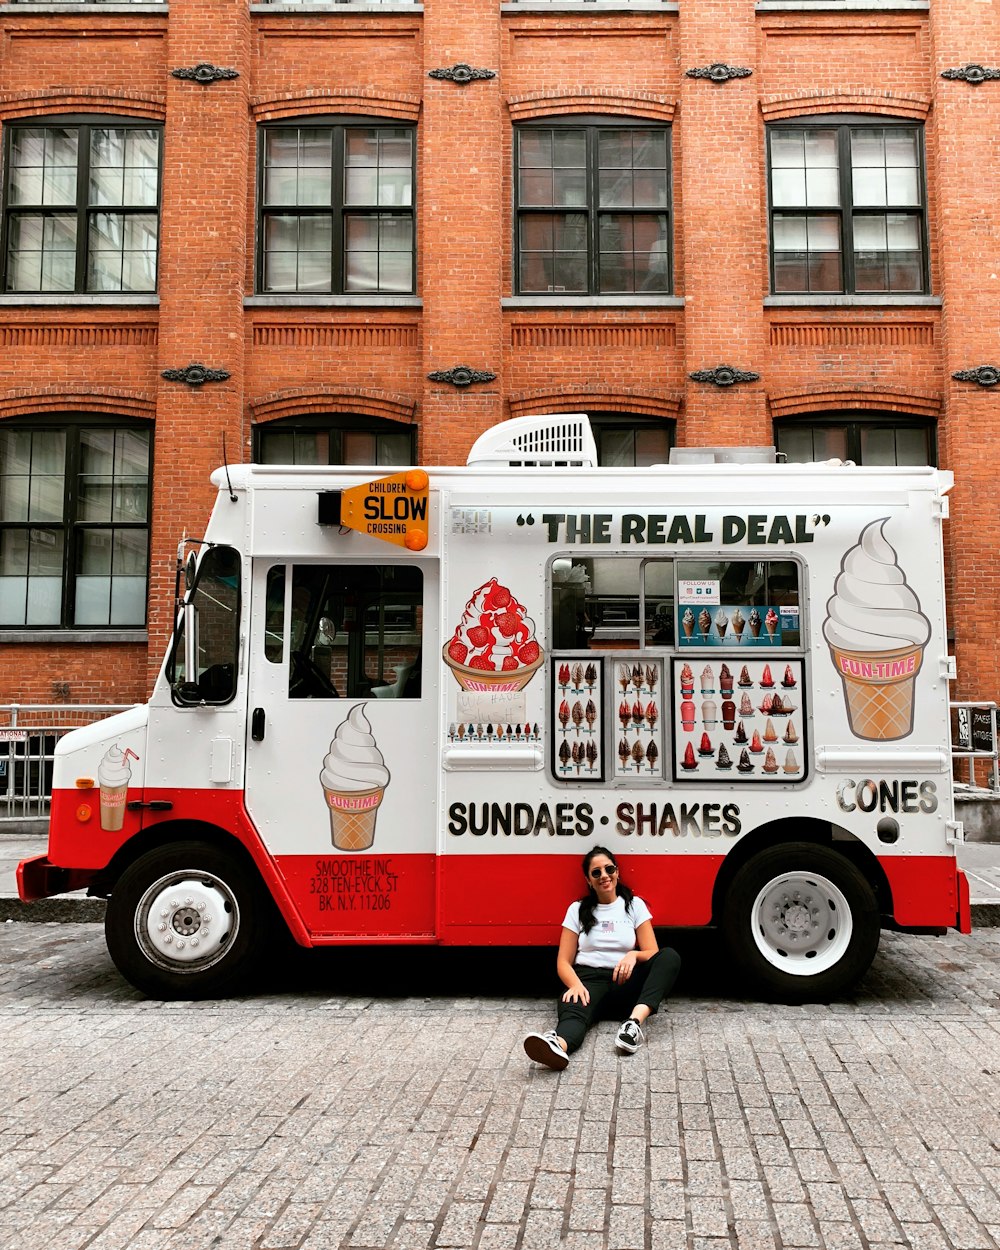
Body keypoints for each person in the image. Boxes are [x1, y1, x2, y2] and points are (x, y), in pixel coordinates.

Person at [523, 847, 681, 1070]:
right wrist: (575, 984)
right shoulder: (577, 910)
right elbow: (563, 962)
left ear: (617, 872)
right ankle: (557, 1045)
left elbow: (652, 952)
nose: (604, 876)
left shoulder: (634, 905)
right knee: (574, 1007)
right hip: (588, 982)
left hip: (625, 982)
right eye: (596, 873)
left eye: (609, 869)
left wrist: (633, 955)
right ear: (588, 880)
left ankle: (633, 1025)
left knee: (669, 957)